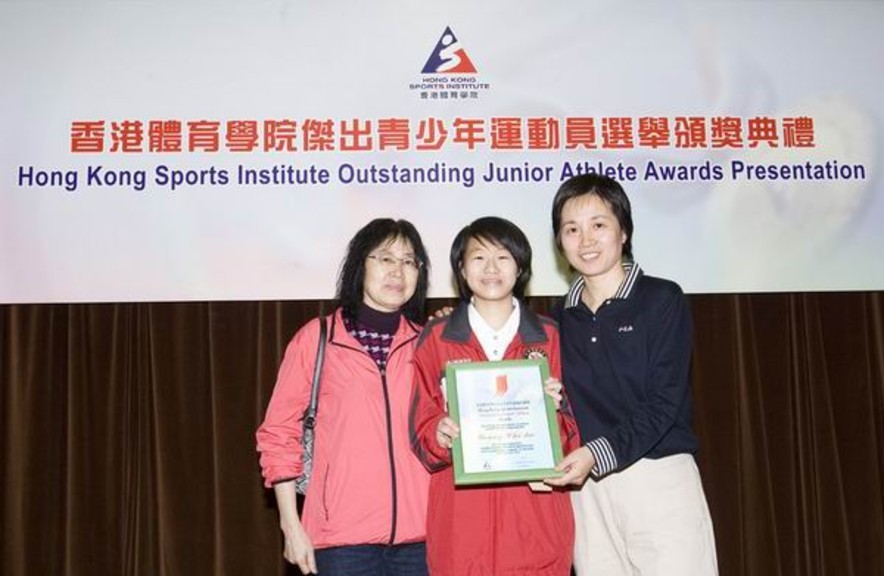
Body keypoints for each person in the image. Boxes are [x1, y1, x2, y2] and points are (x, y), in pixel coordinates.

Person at [543, 174, 719, 575]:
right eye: (571, 229)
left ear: (623, 231)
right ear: (559, 242)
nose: (585, 240)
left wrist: (596, 454)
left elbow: (664, 401)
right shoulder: (557, 319)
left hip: (657, 476)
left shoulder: (661, 299)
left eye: (598, 225)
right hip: (586, 491)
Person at [256, 218, 432, 576]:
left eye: (409, 261)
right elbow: (278, 435)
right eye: (384, 258)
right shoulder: (316, 339)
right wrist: (292, 527)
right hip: (341, 546)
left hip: (422, 542)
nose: (397, 271)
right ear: (358, 266)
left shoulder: (430, 343)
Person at [409, 216, 579, 576]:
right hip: (461, 522)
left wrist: (555, 412)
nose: (491, 268)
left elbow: (574, 433)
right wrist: (439, 433)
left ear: (520, 267)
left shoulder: (550, 336)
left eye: (503, 257)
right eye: (478, 257)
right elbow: (420, 427)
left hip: (536, 521)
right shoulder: (437, 337)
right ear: (461, 268)